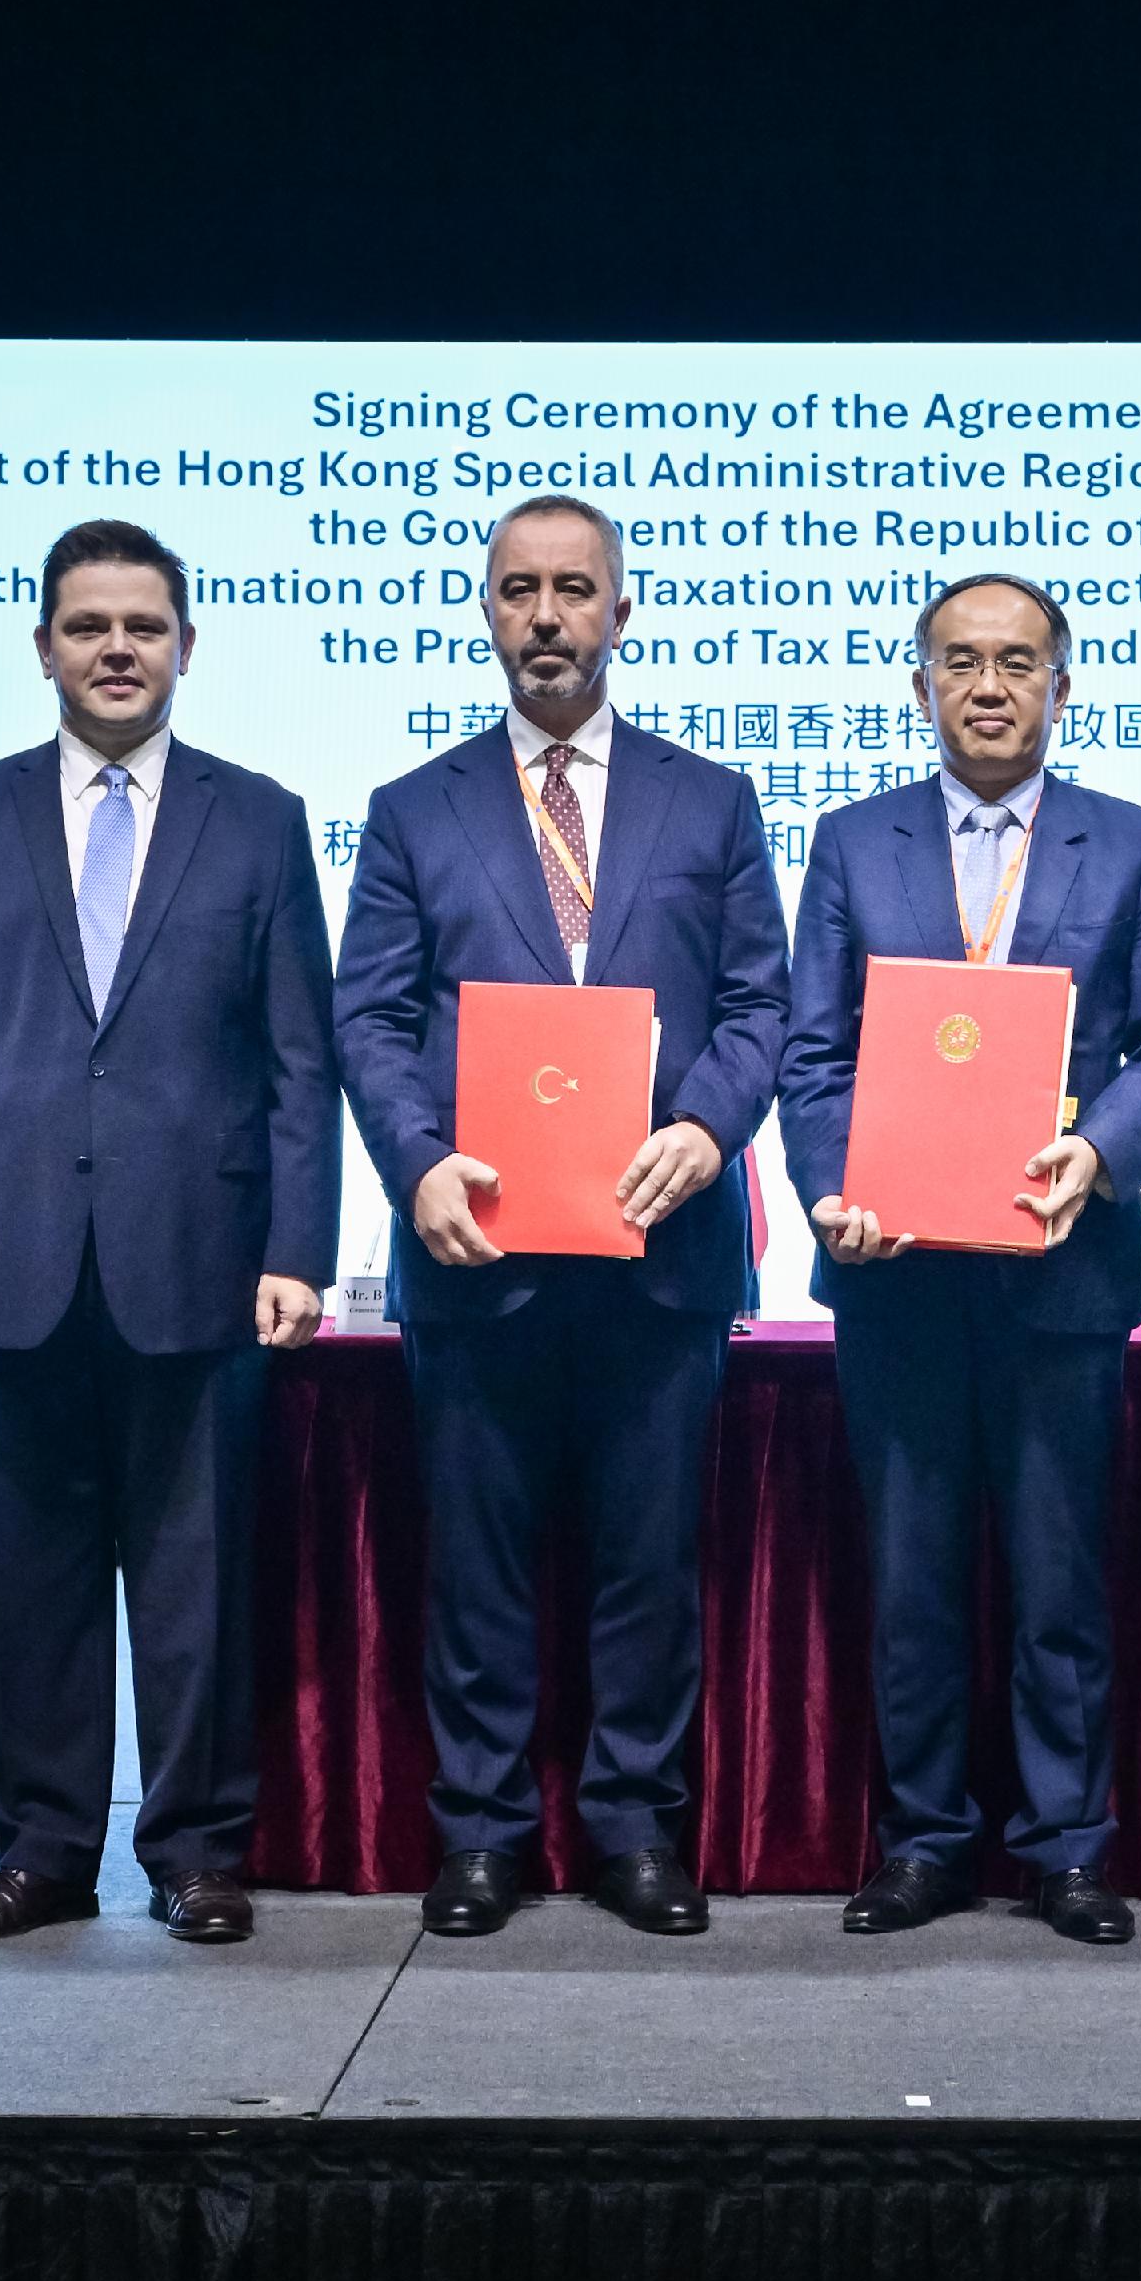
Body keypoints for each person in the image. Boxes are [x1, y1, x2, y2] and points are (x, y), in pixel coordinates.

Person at [332, 494, 788, 1938]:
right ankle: (481, 1833)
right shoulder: (417, 808)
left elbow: (765, 1003)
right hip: (479, 1252)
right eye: (520, 589)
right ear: (486, 609)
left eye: (573, 590)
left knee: (649, 1561)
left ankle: (633, 1828)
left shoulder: (712, 800)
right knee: (477, 1563)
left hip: (661, 1252)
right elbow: (373, 1015)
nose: (545, 615)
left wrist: (708, 1129)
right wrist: (414, 1162)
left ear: (621, 610)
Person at [0, 519, 340, 1946]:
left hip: (199, 1252)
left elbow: (299, 1057)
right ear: (43, 648)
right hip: (6, 1243)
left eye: (144, 626)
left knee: (197, 1574)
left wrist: (298, 1246)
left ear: (187, 647)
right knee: (27, 1579)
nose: (117, 649)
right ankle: (41, 1852)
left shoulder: (258, 816)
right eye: (88, 626)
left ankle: (198, 1847)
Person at [779, 573, 1141, 1946]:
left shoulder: (1135, 843)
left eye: (1017, 662)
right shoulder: (853, 843)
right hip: (894, 1271)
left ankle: (1069, 1846)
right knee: (911, 1578)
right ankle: (922, 1840)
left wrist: (1107, 1157)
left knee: (1058, 1579)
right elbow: (813, 1054)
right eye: (960, 662)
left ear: (1061, 687)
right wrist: (833, 1186)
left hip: (1059, 1270)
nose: (988, 685)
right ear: (919, 688)